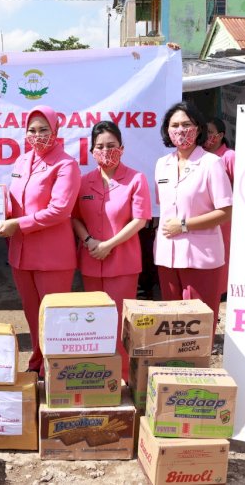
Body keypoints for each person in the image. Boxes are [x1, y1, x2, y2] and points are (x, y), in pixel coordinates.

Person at [0, 105, 81, 375]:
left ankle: (56, 371)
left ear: (56, 130)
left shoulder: (66, 164)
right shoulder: (22, 161)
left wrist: (18, 224)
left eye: (44, 129)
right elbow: (15, 201)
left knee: (53, 319)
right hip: (21, 254)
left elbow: (60, 210)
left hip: (52, 257)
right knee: (32, 316)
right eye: (32, 130)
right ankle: (37, 364)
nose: (37, 135)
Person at [71, 121, 151, 380]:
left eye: (111, 146)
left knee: (119, 324)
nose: (106, 151)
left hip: (123, 263)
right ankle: (97, 376)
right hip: (91, 259)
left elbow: (140, 220)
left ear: (122, 148)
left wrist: (108, 245)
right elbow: (74, 217)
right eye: (100, 147)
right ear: (92, 151)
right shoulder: (83, 182)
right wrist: (89, 241)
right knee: (94, 321)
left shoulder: (136, 179)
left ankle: (123, 376)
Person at [154, 102, 232, 332]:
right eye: (175, 125)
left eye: (186, 124)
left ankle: (198, 367)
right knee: (172, 323)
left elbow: (226, 211)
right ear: (167, 131)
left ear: (198, 129)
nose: (180, 130)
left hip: (201, 257)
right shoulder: (162, 164)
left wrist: (185, 225)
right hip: (167, 255)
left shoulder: (211, 163)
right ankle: (174, 366)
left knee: (197, 325)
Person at [204, 117, 235, 296]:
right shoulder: (201, 156)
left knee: (225, 252)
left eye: (210, 132)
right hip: (206, 214)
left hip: (225, 217)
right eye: (204, 132)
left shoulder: (229, 156)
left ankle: (222, 290)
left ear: (220, 135)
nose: (206, 136)